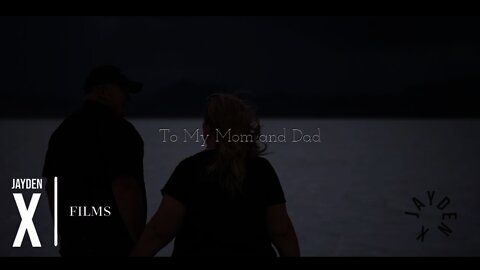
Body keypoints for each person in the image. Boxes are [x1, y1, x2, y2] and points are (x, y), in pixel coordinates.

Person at [131, 94, 300, 256]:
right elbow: (282, 232)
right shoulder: (262, 170)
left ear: (207, 129)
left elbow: (160, 230)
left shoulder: (189, 169)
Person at [42, 65, 147, 256]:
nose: (128, 98)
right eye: (123, 91)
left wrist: (65, 235)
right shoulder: (120, 131)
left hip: (72, 248)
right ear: (103, 92)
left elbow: (52, 188)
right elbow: (125, 187)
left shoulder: (62, 132)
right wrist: (141, 247)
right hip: (114, 248)